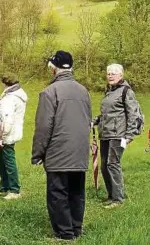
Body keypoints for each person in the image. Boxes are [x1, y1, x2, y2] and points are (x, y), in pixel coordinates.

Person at [31, 50, 91, 241]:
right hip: (79, 152)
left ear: (53, 68)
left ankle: (64, 234)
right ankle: (76, 228)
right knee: (77, 192)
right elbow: (88, 120)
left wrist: (37, 153)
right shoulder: (84, 91)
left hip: (58, 152)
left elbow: (43, 127)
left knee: (58, 194)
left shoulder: (49, 92)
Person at [92, 64, 141, 209]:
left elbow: (132, 114)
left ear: (121, 75)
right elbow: (107, 114)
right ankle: (111, 195)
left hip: (119, 135)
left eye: (114, 73)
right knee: (104, 166)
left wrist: (129, 135)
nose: (110, 76)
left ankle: (118, 199)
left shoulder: (126, 91)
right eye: (108, 73)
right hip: (105, 133)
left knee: (113, 164)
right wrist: (95, 121)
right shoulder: (109, 91)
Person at [0, 73, 27, 200]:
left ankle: (14, 190)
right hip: (12, 131)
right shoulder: (16, 95)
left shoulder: (10, 98)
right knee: (3, 160)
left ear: (4, 83)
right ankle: (4, 187)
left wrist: (1, 137)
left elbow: (7, 119)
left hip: (8, 133)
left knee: (8, 161)